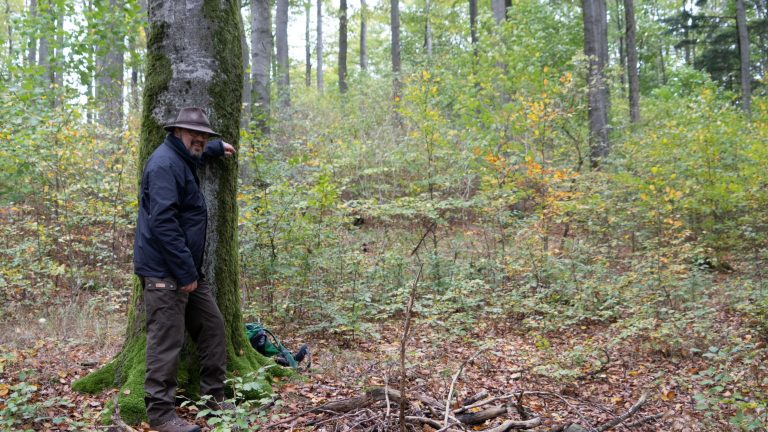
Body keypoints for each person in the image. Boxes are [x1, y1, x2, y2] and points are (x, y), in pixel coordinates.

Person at [134, 107, 236, 432]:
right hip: (167, 273)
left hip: (185, 271)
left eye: (205, 136)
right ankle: (161, 415)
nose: (201, 139)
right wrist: (185, 272)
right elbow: (162, 221)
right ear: (177, 131)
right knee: (166, 342)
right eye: (196, 134)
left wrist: (215, 150)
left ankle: (213, 398)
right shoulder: (164, 164)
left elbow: (195, 157)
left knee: (213, 326)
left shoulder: (181, 158)